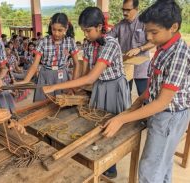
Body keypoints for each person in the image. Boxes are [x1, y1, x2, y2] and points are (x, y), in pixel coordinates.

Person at [103, 1, 190, 182]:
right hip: (162, 113)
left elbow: (162, 102)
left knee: (149, 170)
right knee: (161, 163)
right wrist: (140, 99)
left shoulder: (179, 54)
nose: (149, 37)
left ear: (173, 27)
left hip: (169, 117)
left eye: (154, 32)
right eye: (147, 31)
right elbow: (156, 84)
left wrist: (121, 118)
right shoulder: (163, 48)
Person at [42, 7, 131, 178]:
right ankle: (97, 160)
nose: (86, 34)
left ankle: (110, 167)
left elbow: (91, 77)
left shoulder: (111, 44)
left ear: (99, 27)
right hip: (99, 86)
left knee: (111, 123)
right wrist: (73, 89)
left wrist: (55, 87)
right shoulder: (89, 43)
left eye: (88, 30)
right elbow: (86, 71)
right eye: (83, 30)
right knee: (96, 123)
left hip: (113, 87)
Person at [18, 13, 80, 101]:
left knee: (62, 103)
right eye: (54, 29)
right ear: (51, 27)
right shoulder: (43, 41)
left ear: (66, 28)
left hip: (62, 78)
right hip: (45, 76)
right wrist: (26, 80)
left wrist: (73, 85)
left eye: (60, 30)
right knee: (43, 103)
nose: (56, 33)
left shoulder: (70, 41)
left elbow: (77, 64)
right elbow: (35, 65)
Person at [108, 0, 154, 96]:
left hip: (141, 69)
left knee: (144, 95)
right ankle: (127, 111)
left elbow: (153, 42)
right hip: (125, 67)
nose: (125, 13)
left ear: (136, 9)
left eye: (128, 10)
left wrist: (140, 48)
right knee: (124, 95)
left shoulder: (144, 23)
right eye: (123, 10)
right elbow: (108, 37)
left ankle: (144, 111)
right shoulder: (120, 25)